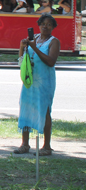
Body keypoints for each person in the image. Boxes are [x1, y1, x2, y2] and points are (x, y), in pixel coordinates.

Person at [14, 14, 60, 156]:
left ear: (53, 27)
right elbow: (22, 61)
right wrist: (22, 47)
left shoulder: (54, 42)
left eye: (49, 24)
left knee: (44, 110)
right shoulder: (34, 39)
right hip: (30, 80)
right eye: (43, 24)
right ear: (38, 25)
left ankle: (46, 146)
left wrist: (35, 47)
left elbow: (51, 61)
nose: (45, 26)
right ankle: (25, 144)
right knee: (26, 108)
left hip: (44, 81)